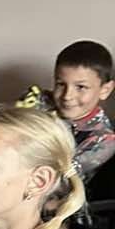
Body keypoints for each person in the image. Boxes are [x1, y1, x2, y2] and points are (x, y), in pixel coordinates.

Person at [19, 40, 115, 184]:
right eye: (61, 84)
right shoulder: (37, 101)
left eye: (81, 87)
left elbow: (61, 177)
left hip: (48, 190)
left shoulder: (103, 140)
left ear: (105, 90)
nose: (67, 96)